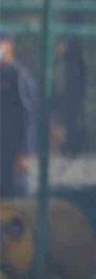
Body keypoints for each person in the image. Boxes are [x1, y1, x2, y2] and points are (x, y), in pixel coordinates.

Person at [0, 31, 36, 199]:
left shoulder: (19, 76)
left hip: (12, 151)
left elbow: (28, 117)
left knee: (15, 198)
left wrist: (24, 151)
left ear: (9, 46)